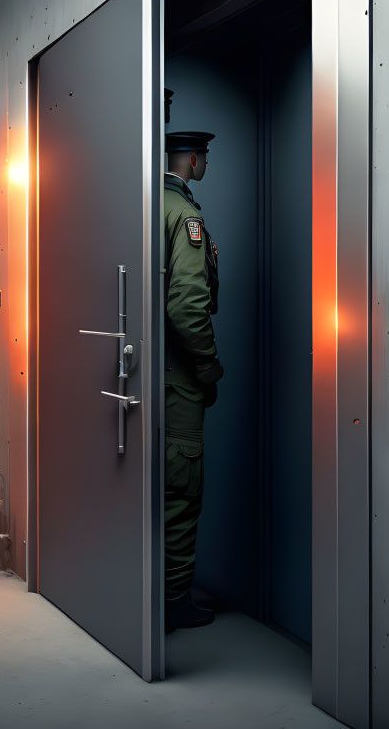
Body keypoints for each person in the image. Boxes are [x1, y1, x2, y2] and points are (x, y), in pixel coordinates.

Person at [162, 89, 223, 633]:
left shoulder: (143, 202)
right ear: (194, 160)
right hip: (178, 379)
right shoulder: (184, 217)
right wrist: (207, 366)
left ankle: (143, 586)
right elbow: (187, 304)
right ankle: (173, 597)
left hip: (145, 373)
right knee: (181, 488)